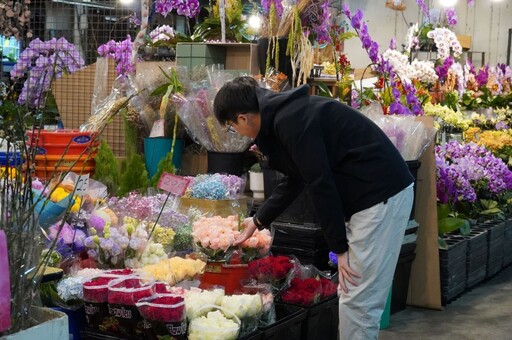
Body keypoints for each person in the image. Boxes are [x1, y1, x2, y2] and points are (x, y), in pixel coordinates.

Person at [214, 76, 414, 339]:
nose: (236, 133)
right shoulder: (281, 118)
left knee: (359, 300)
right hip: (371, 197)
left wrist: (339, 248)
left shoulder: (291, 121)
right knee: (354, 296)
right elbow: (296, 178)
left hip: (379, 196)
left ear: (242, 118)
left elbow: (321, 184)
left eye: (231, 127)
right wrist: (258, 221)